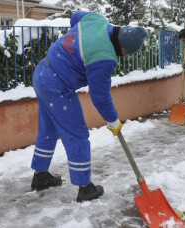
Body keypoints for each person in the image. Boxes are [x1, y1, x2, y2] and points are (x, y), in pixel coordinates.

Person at [30, 11, 147, 202]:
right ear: (123, 47)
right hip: (58, 84)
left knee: (49, 129)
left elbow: (76, 16)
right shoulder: (103, 57)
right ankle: (85, 187)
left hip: (43, 73)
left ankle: (40, 175)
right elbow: (100, 96)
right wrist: (112, 120)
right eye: (126, 52)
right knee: (77, 133)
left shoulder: (97, 20)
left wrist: (73, 46)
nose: (124, 56)